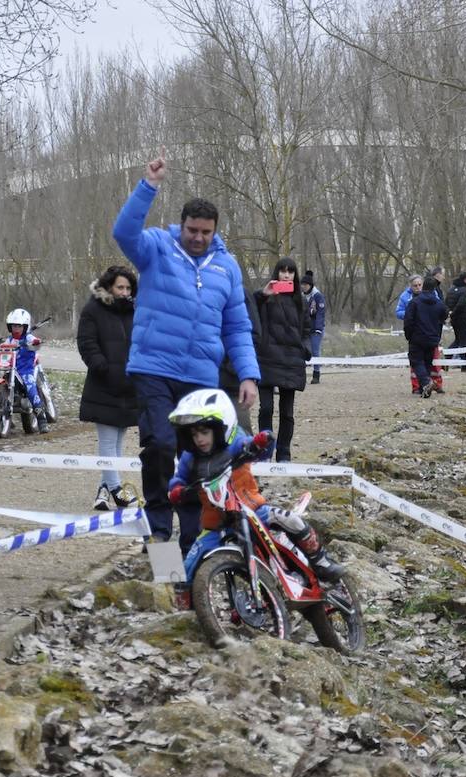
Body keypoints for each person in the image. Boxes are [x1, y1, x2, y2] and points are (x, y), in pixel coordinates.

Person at [112, 148, 260, 554]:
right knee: (160, 446)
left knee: (198, 459)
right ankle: (159, 535)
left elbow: (237, 326)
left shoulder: (227, 267)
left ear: (215, 231)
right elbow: (123, 233)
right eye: (192, 230)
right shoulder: (156, 248)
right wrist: (149, 186)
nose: (197, 237)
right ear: (182, 226)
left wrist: (248, 375)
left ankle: (193, 547)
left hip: (200, 378)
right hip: (154, 368)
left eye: (205, 232)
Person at [165, 388, 343, 608]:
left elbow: (256, 447)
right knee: (189, 564)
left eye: (204, 432)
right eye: (194, 434)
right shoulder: (190, 458)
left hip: (252, 508)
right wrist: (176, 489)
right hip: (216, 523)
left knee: (291, 520)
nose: (199, 439)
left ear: (220, 428)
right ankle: (187, 611)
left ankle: (321, 561)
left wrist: (261, 441)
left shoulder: (235, 442)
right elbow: (178, 478)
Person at [77, 266, 140, 511]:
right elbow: (86, 342)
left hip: (129, 384)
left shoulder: (134, 310)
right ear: (109, 287)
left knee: (118, 440)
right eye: (119, 287)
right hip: (103, 384)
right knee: (107, 440)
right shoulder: (93, 309)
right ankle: (116, 490)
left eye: (128, 288)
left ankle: (103, 489)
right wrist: (102, 367)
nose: (124, 292)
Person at [253, 257, 311, 462]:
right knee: (266, 409)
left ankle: (284, 453)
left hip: (291, 361)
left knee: (287, 413)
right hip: (266, 359)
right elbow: (249, 310)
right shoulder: (266, 296)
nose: (286, 275)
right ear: (277, 272)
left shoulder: (300, 301)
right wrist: (262, 295)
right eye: (283, 271)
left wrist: (305, 349)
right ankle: (264, 452)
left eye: (290, 271)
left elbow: (307, 329)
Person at [1, 307, 49, 433]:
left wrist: (36, 342)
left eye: (19, 326)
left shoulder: (28, 337)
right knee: (0, 388)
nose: (16, 329)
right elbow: (4, 347)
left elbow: (34, 341)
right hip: (11, 370)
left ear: (25, 327)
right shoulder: (9, 339)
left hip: (26, 371)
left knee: (31, 389)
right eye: (13, 326)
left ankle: (42, 420)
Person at [404, 272, 447, 398]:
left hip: (417, 338)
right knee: (427, 363)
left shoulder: (414, 303)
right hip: (432, 338)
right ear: (434, 288)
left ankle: (426, 382)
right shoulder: (439, 304)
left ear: (423, 286)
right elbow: (443, 318)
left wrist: (409, 336)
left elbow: (408, 321)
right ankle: (425, 388)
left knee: (416, 362)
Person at [302, 270, 325, 384]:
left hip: (315, 329)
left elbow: (320, 313)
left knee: (315, 352)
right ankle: (302, 374)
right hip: (305, 329)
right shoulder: (301, 296)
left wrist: (318, 329)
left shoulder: (318, 296)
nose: (303, 287)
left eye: (305, 285)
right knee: (303, 351)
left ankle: (316, 374)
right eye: (302, 284)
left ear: (310, 285)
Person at [447, 273, 466, 373]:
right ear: (465, 280)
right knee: (464, 341)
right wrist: (454, 313)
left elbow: (446, 303)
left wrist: (450, 314)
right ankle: (465, 365)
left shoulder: (451, 290)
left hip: (454, 320)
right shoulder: (465, 291)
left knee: (458, 340)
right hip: (462, 319)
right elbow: (461, 304)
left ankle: (447, 359)